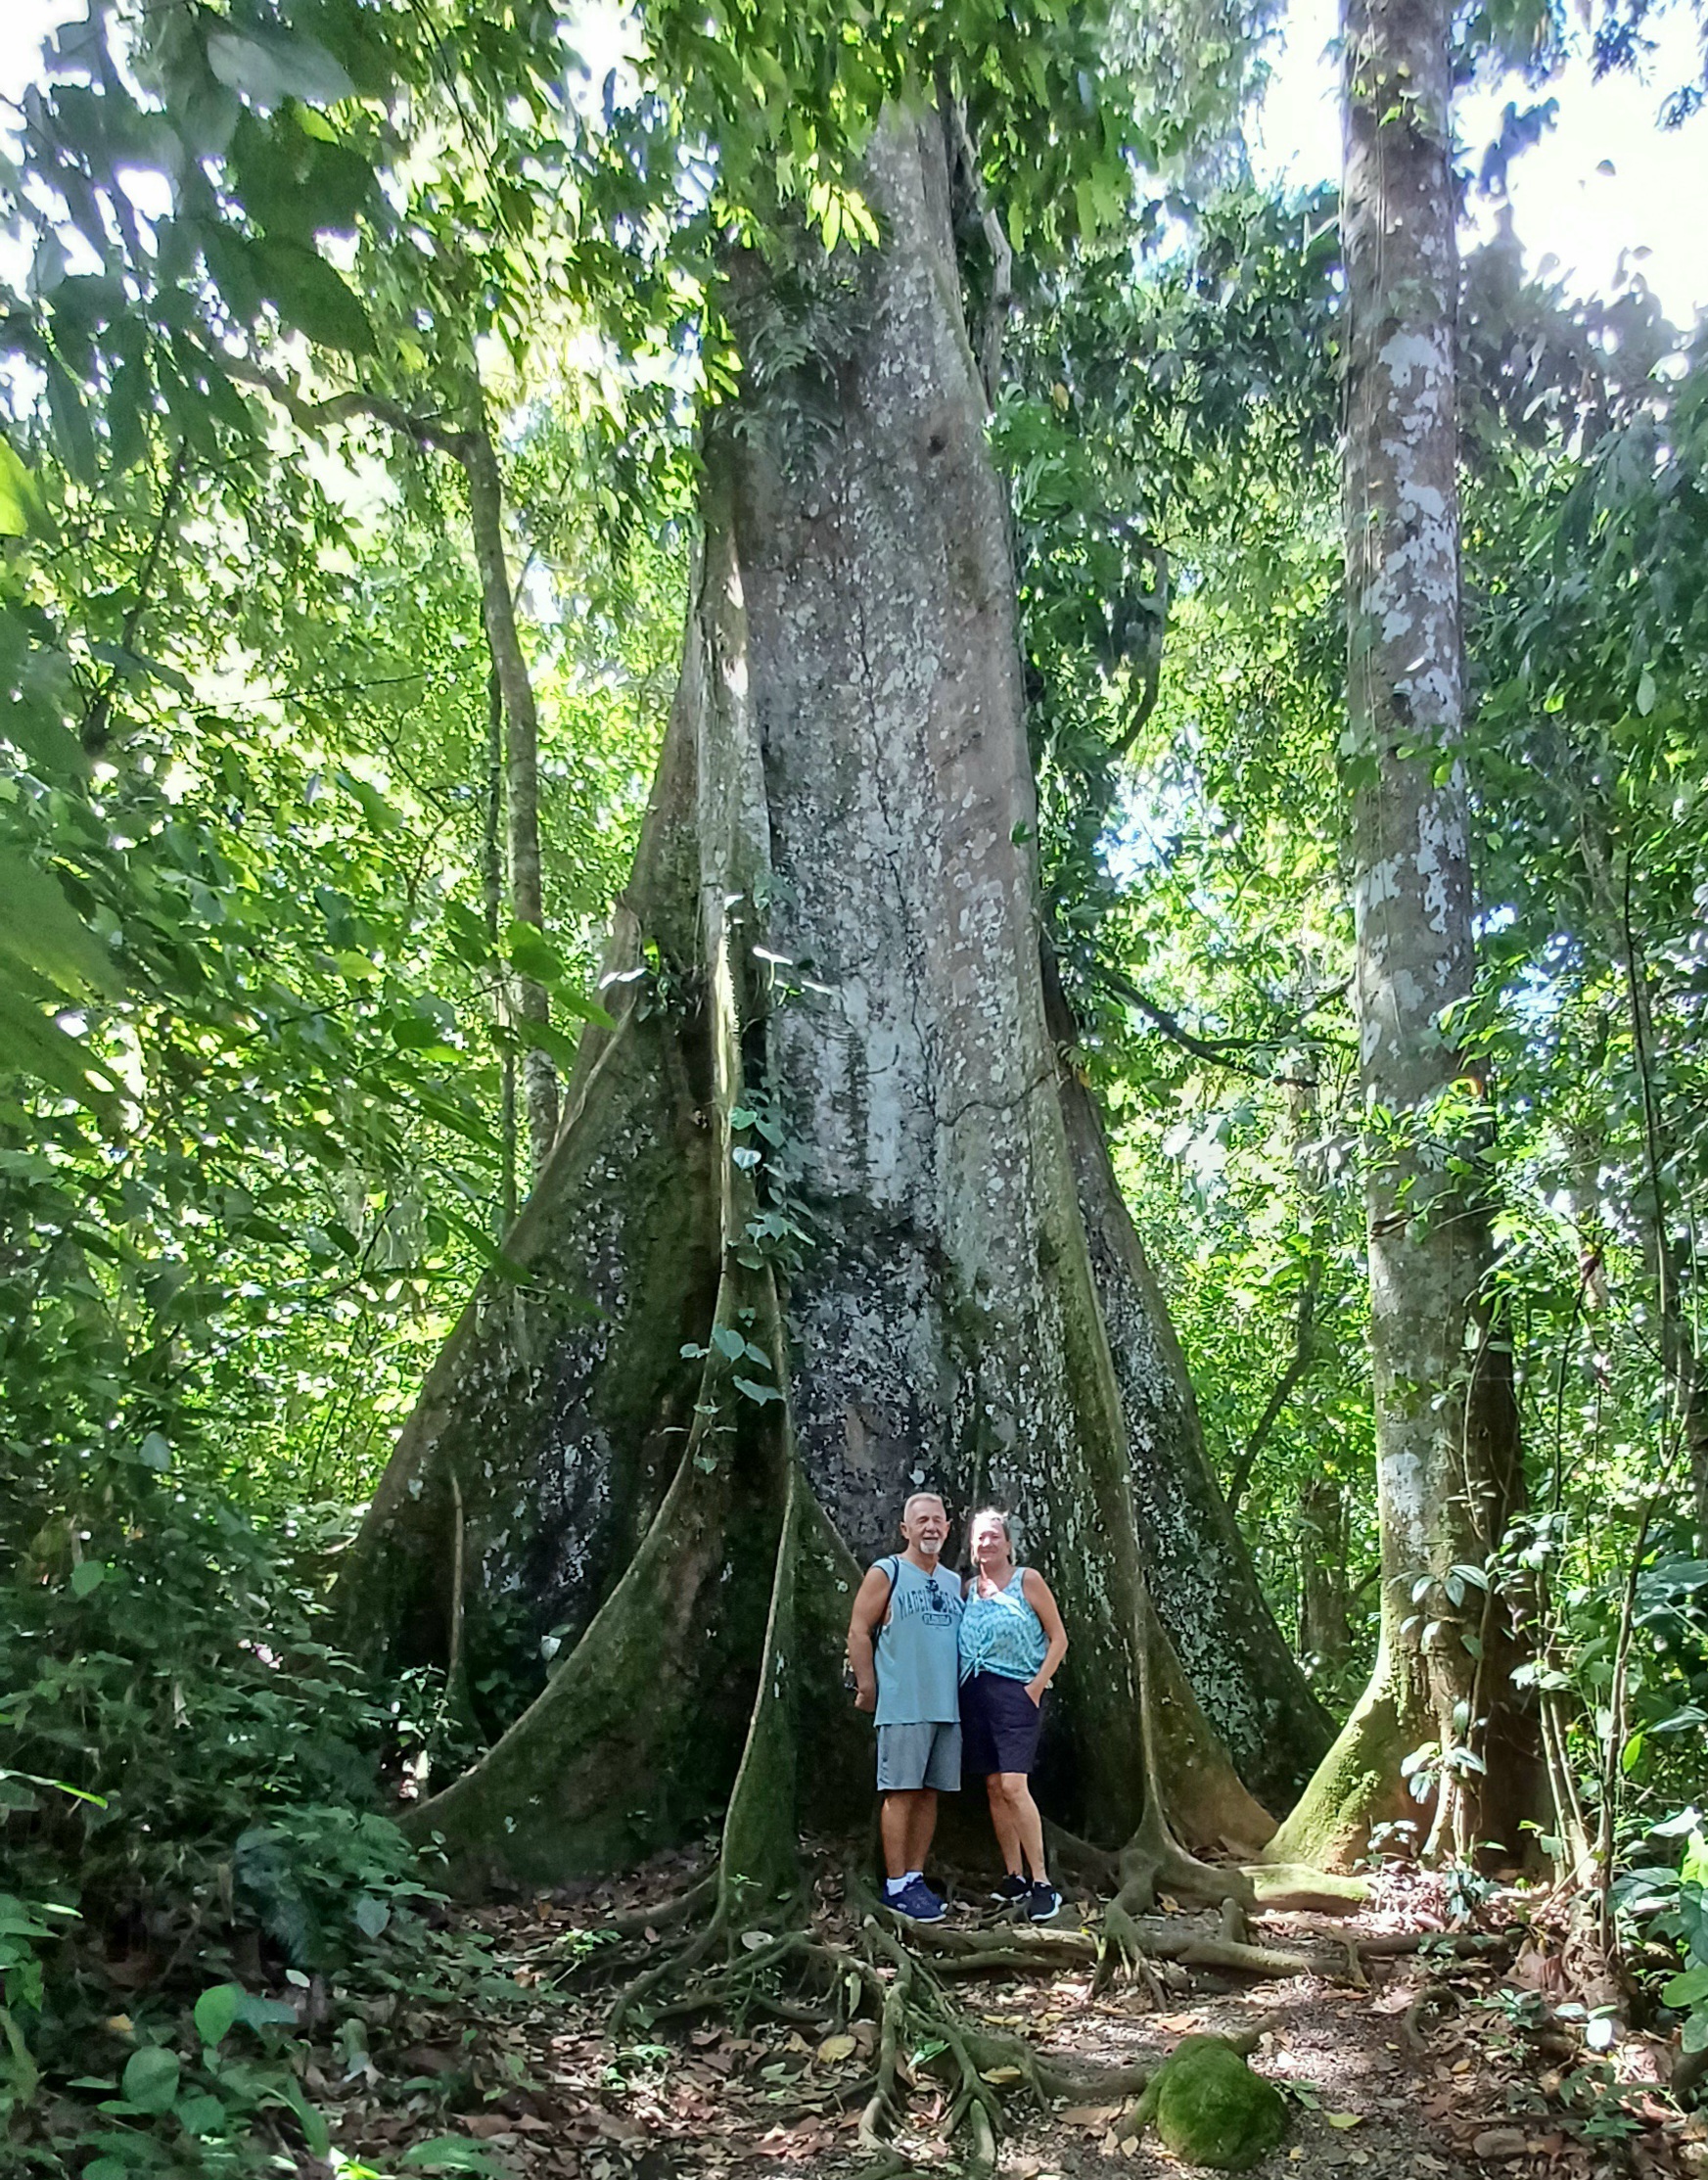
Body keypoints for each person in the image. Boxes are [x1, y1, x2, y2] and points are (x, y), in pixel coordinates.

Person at [846, 1491, 963, 1923]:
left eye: (938, 1520)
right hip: (903, 1704)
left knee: (930, 1792)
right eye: (922, 1521)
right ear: (905, 1529)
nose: (931, 1528)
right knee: (901, 1791)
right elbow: (859, 1630)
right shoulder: (888, 1571)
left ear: (948, 1528)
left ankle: (914, 1877)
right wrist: (868, 1686)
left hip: (946, 1707)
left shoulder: (952, 1582)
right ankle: (895, 1883)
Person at [958, 1507, 1068, 1923]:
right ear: (972, 1546)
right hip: (974, 1694)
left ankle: (1043, 1882)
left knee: (1013, 1785)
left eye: (993, 1535)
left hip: (1016, 1692)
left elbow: (1058, 1638)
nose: (986, 1543)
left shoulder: (1028, 1581)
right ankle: (1014, 1875)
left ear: (1008, 1542)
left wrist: (1036, 1687)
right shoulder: (969, 1589)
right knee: (992, 1786)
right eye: (979, 1537)